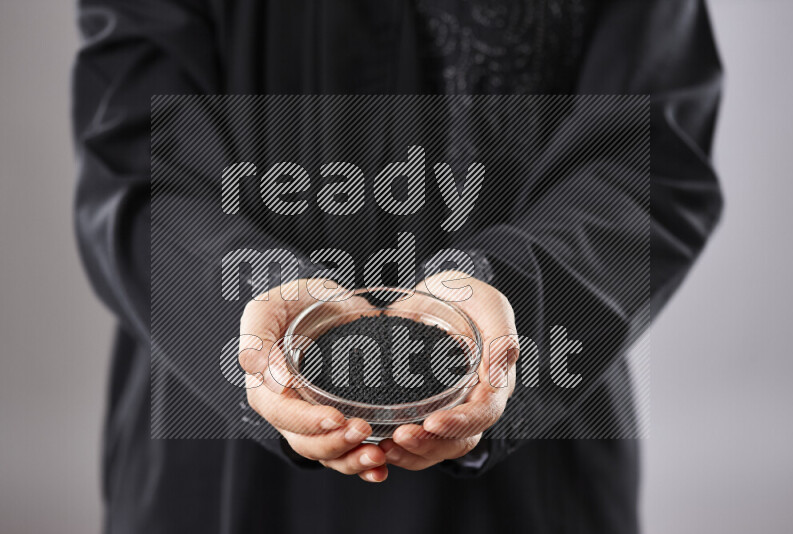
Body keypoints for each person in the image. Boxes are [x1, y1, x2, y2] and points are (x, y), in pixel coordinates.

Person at [72, 1, 723, 532]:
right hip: (218, 462)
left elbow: (647, 157)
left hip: (526, 449)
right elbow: (137, 161)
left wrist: (505, 294)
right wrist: (256, 307)